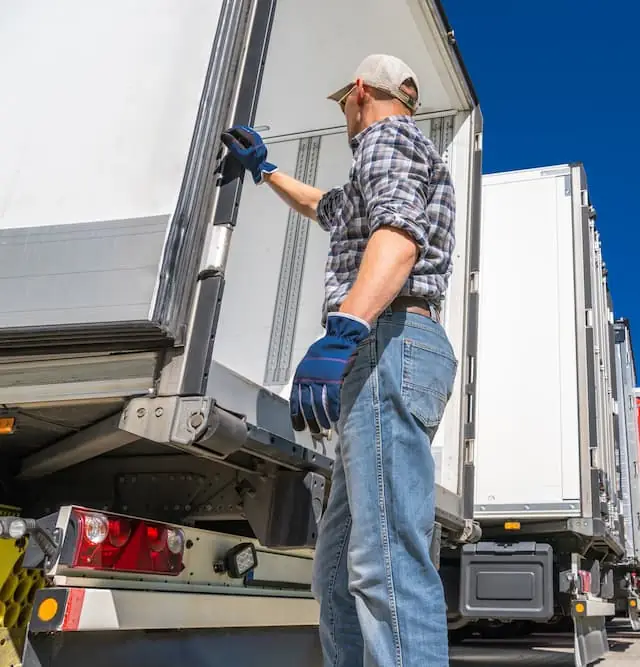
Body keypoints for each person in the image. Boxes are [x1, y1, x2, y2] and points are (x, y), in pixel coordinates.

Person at [218, 54, 457, 667]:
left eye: (343, 107)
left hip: (388, 340)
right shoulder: (390, 158)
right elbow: (326, 207)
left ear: (358, 93)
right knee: (338, 571)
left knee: (385, 562)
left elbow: (397, 238)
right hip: (391, 344)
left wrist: (346, 327)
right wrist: (266, 170)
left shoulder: (385, 138)